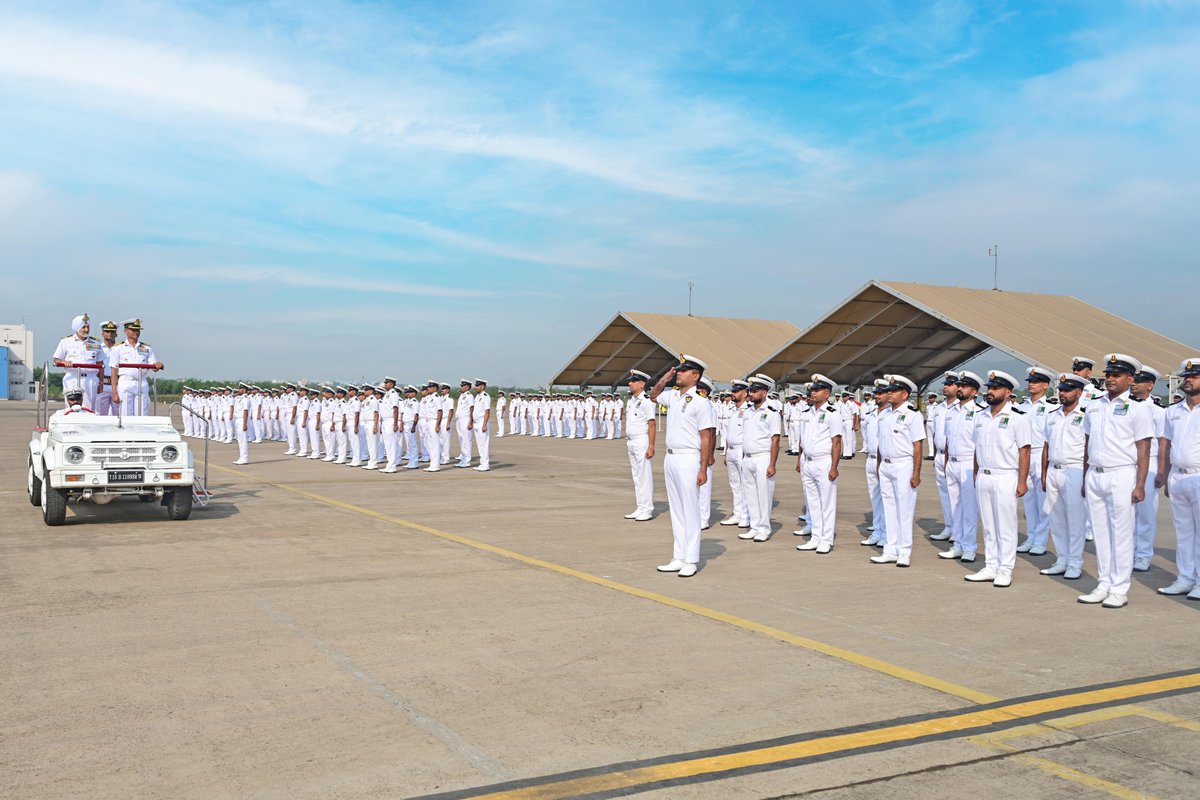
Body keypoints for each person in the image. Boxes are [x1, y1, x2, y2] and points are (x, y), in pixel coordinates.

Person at [1078, 354, 1154, 609]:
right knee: (1100, 533)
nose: (1110, 379)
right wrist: (1084, 474)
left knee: (1121, 533)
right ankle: (1104, 583)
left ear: (1130, 379)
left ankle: (1119, 588)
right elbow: (1088, 443)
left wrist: (1140, 484)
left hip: (1122, 474)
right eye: (1108, 374)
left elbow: (1143, 449)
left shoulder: (1137, 408)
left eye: (1116, 375)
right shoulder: (1094, 405)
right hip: (1095, 474)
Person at [650, 355, 716, 578]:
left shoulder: (701, 402)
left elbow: (706, 437)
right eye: (678, 370)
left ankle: (691, 559)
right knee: (677, 510)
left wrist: (703, 467)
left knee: (690, 511)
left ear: (695, 376)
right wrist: (665, 377)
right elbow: (653, 395)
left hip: (689, 458)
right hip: (671, 458)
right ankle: (678, 557)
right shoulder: (673, 397)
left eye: (683, 370)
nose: (678, 373)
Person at [964, 371, 1031, 588]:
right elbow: (977, 448)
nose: (989, 392)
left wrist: (1022, 481)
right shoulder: (981, 416)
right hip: (984, 475)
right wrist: (976, 473)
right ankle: (990, 566)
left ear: (1008, 392)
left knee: (1006, 526)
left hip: (1006, 476)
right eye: (989, 388)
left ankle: (1005, 569)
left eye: (995, 388)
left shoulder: (1017, 417)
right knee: (989, 525)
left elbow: (1024, 451)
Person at [870, 375, 924, 568]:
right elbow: (880, 443)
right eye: (889, 390)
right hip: (886, 465)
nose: (889, 393)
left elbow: (918, 445)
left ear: (905, 394)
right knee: (889, 508)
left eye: (893, 391)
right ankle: (890, 549)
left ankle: (904, 551)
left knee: (904, 509)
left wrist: (916, 472)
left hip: (903, 465)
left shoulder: (913, 415)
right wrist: (879, 466)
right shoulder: (884, 414)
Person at [1157, 357, 1200, 599]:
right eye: (1187, 377)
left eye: (1194, 376)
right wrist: (1164, 473)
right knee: (1184, 532)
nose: (1188, 380)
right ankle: (1185, 578)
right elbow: (1165, 443)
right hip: (1178, 477)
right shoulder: (1173, 411)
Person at [1040, 373, 1089, 580]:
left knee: (1075, 519)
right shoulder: (1052, 416)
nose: (1063, 393)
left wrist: (1087, 477)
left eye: (1068, 390)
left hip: (1075, 469)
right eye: (1061, 390)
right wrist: (1043, 474)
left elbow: (1089, 447)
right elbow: (1046, 446)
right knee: (1056, 517)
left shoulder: (1085, 416)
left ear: (1079, 393)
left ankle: (1075, 562)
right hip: (1053, 470)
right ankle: (1062, 559)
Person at [938, 372, 985, 564]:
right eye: (959, 385)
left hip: (968, 463)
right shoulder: (951, 412)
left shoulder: (980, 412)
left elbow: (978, 444)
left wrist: (976, 469)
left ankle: (969, 547)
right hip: (953, 463)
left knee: (969, 508)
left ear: (974, 391)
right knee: (955, 506)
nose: (959, 388)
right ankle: (957, 544)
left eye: (964, 386)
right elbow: (949, 440)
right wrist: (948, 462)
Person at [795, 373, 843, 554]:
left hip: (824, 462)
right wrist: (799, 459)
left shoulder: (832, 414)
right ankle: (815, 537)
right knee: (813, 502)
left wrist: (834, 467)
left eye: (817, 390)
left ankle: (826, 540)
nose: (812, 393)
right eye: (812, 390)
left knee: (827, 503)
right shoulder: (807, 413)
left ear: (827, 393)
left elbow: (836, 442)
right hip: (807, 462)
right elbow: (802, 439)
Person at [1015, 367, 1056, 556]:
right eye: (1030, 381)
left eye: (1036, 381)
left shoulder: (1050, 408)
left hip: (1041, 454)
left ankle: (1040, 541)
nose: (1031, 384)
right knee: (1028, 502)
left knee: (1043, 503)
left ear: (1045, 385)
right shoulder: (1021, 407)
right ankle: (1031, 537)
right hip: (1024, 455)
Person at [1130, 366, 1165, 572]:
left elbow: (1162, 443)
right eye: (1133, 380)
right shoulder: (1126, 407)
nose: (1134, 384)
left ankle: (1143, 554)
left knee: (1145, 512)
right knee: (1126, 512)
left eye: (1140, 381)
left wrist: (1161, 471)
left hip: (1149, 462)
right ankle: (1130, 551)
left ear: (1150, 385)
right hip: (1127, 462)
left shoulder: (1158, 412)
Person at [738, 374, 781, 543]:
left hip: (763, 458)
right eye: (750, 390)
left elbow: (775, 440)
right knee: (750, 495)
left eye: (755, 391)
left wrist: (772, 464)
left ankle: (764, 528)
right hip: (747, 458)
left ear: (764, 393)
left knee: (764, 495)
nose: (751, 393)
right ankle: (754, 526)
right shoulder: (748, 411)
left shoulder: (771, 413)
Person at [108, 319, 163, 416]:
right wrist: (114, 392)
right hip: (125, 382)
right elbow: (114, 372)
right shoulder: (118, 348)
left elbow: (153, 366)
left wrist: (157, 365)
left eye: (138, 330)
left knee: (142, 414)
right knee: (125, 415)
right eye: (133, 330)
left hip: (141, 382)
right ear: (125, 331)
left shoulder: (146, 348)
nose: (136, 332)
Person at [623, 370, 658, 522]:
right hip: (631, 441)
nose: (629, 383)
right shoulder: (631, 400)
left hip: (641, 441)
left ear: (642, 383)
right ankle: (640, 507)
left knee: (644, 476)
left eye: (633, 381)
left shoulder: (646, 400)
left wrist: (651, 446)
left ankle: (647, 509)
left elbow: (651, 424)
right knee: (637, 476)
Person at [859, 379, 890, 547]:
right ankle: (878, 530)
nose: (876, 396)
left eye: (880, 393)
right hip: (870, 459)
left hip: (883, 460)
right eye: (875, 393)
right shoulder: (872, 414)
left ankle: (886, 533)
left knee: (886, 498)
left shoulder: (890, 414)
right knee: (875, 497)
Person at [928, 372, 958, 542]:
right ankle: (948, 526)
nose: (946, 387)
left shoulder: (960, 408)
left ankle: (957, 529)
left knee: (956, 496)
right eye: (945, 384)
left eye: (950, 384)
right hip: (940, 455)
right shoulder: (939, 408)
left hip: (954, 456)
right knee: (944, 493)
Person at [53, 314, 104, 410]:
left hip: (90, 379)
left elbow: (100, 364)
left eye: (88, 327)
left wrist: (101, 383)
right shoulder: (66, 342)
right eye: (83, 327)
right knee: (71, 407)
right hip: (73, 377)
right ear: (76, 328)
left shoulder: (96, 343)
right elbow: (56, 359)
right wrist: (64, 362)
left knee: (90, 408)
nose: (86, 330)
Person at [722, 379, 751, 530]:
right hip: (731, 450)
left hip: (742, 450)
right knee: (735, 484)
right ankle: (737, 513)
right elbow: (727, 433)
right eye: (733, 391)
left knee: (745, 484)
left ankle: (746, 515)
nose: (733, 394)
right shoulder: (731, 410)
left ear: (745, 393)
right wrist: (726, 452)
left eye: (737, 391)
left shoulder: (749, 410)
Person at [696, 376, 717, 529]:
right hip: (692, 452)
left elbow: (712, 433)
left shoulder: (709, 407)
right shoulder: (695, 405)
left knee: (704, 488)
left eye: (698, 390)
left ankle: (703, 518)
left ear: (704, 392)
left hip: (704, 453)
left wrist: (710, 455)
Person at [95, 320, 119, 415]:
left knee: (119, 416)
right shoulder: (97, 348)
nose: (110, 334)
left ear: (116, 334)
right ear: (102, 334)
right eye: (107, 331)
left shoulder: (121, 348)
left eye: (112, 332)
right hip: (102, 385)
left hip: (117, 385)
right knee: (100, 415)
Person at [421, 382, 445, 472]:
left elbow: (440, 412)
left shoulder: (436, 398)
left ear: (435, 388)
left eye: (430, 387)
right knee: (430, 444)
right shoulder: (429, 398)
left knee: (435, 444)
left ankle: (435, 465)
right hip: (428, 422)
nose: (428, 388)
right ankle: (432, 463)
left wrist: (437, 425)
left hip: (434, 422)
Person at [470, 379, 492, 471]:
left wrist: (484, 424)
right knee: (479, 445)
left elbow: (487, 411)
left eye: (478, 386)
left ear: (482, 386)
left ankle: (485, 464)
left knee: (484, 444)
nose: (476, 387)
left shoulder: (485, 396)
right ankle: (482, 463)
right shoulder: (477, 396)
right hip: (476, 423)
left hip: (482, 422)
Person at [455, 380, 475, 468]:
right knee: (461, 440)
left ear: (467, 387)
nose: (460, 387)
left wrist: (471, 421)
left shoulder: (469, 396)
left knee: (466, 440)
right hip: (459, 420)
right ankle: (463, 459)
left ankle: (467, 461)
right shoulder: (462, 396)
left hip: (466, 420)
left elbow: (472, 408)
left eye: (462, 386)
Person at [233, 383, 251, 465]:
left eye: (240, 389)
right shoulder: (240, 398)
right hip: (238, 420)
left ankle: (244, 458)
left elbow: (245, 411)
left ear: (244, 389)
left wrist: (245, 424)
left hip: (242, 420)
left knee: (243, 440)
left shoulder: (245, 398)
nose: (239, 390)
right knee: (240, 439)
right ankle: (241, 457)